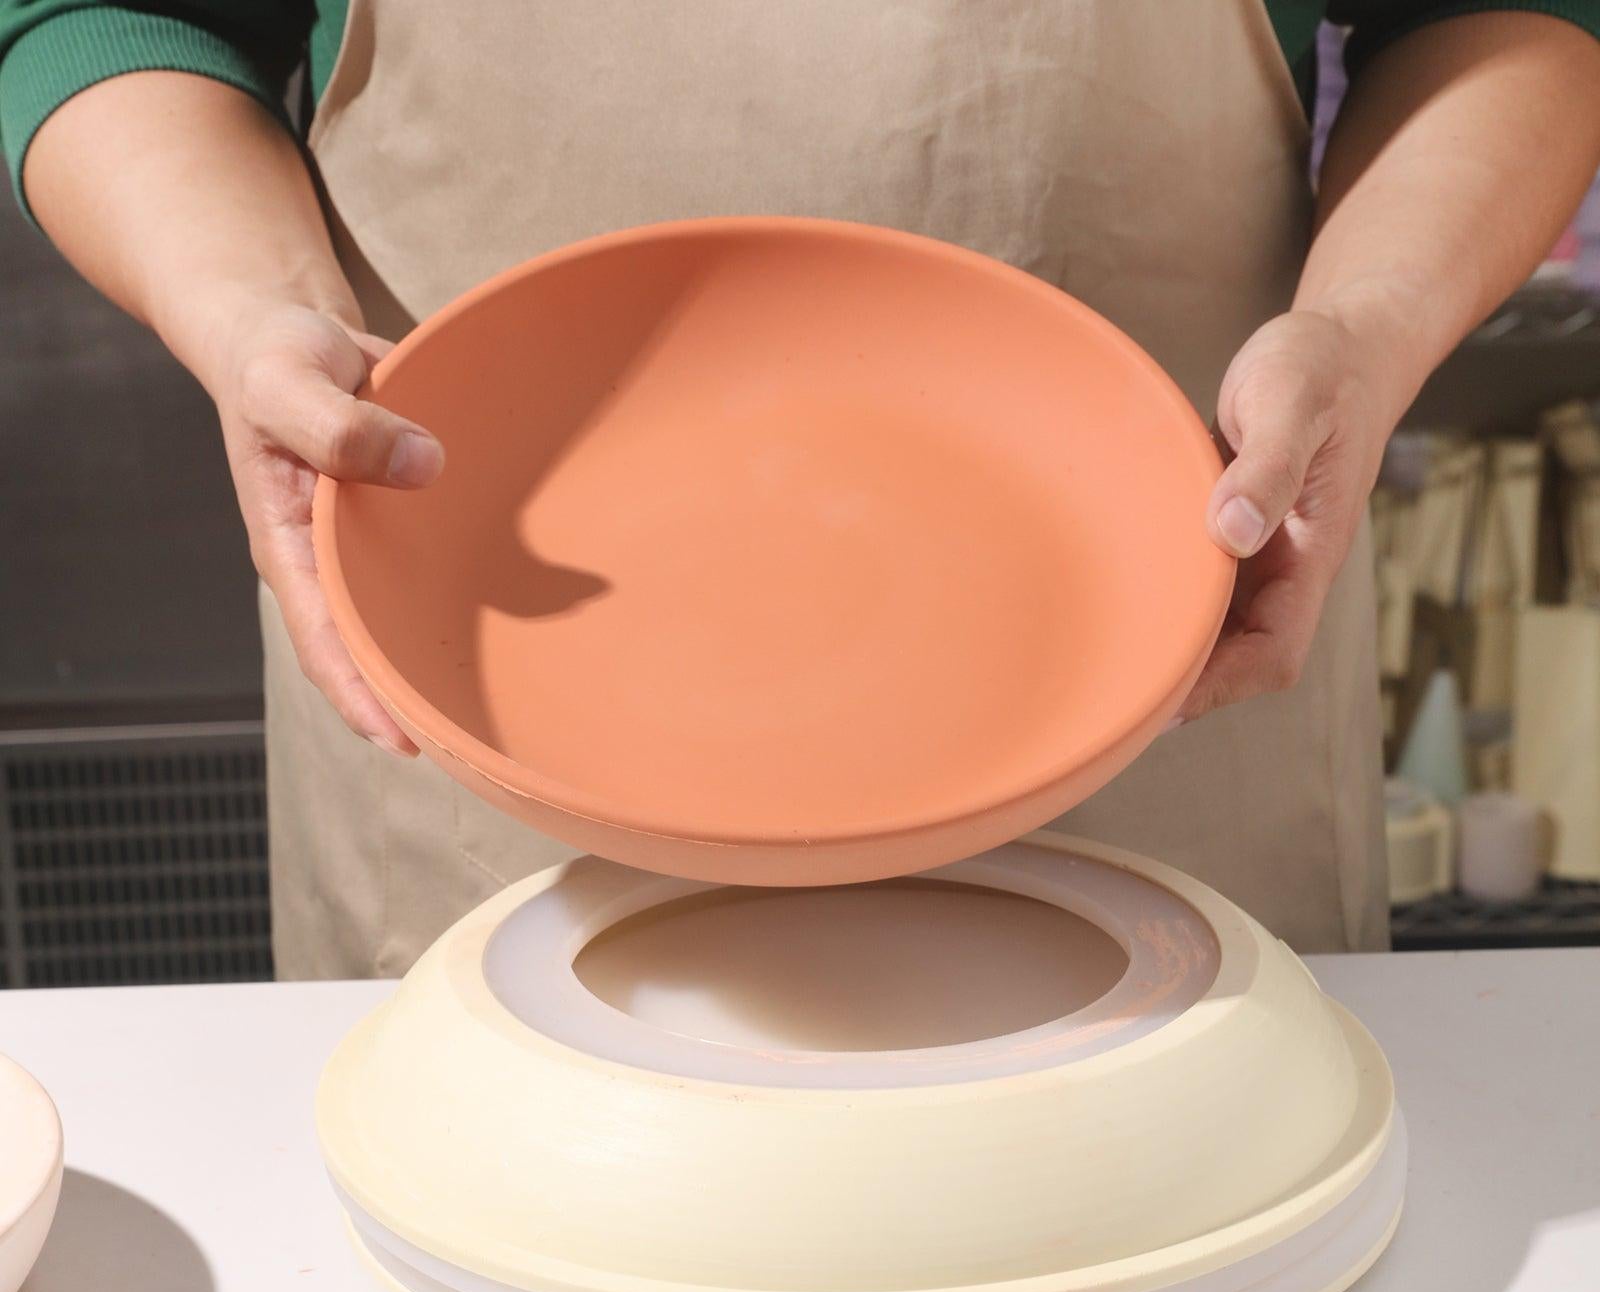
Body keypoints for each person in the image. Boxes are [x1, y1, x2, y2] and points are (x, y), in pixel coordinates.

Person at [5, 1, 1598, 974]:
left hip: (1169, 663)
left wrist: (1366, 332)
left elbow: (1501, 11)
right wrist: (237, 306)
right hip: (477, 723)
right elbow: (113, 12)